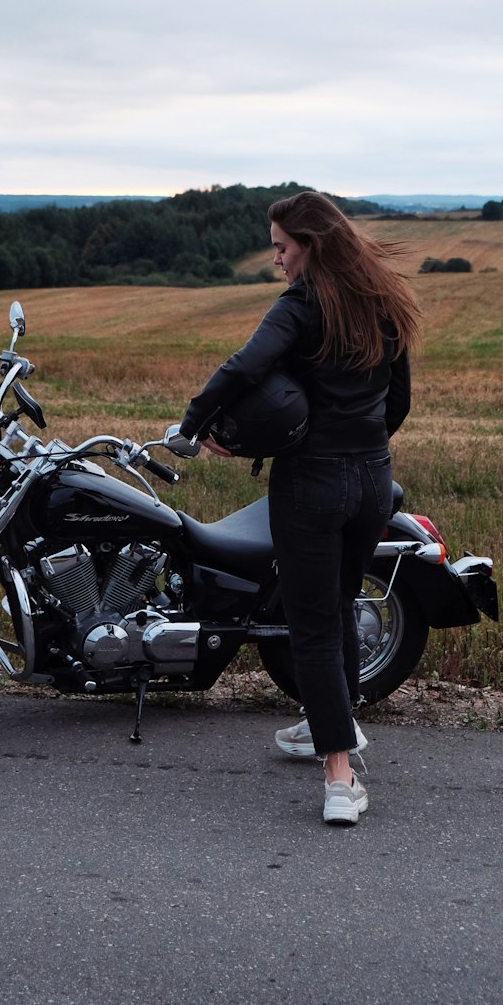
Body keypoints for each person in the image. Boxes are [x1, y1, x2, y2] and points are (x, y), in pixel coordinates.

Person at [175, 190, 419, 825]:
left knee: (310, 625)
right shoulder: (383, 304)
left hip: (311, 486)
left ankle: (340, 778)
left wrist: (192, 424)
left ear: (311, 245)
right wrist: (359, 444)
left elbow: (243, 366)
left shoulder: (301, 307)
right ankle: (326, 725)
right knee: (335, 608)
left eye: (282, 246)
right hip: (372, 480)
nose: (275, 256)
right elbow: (398, 404)